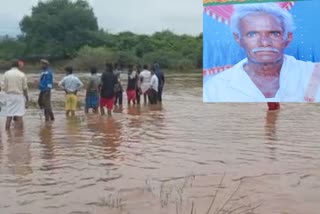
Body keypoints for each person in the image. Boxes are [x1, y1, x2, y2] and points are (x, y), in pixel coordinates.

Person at [203, 3, 320, 102]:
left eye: (274, 33)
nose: (264, 42)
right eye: (252, 34)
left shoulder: (313, 75)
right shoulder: (216, 88)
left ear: (288, 38)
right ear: (238, 39)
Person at [2, 60, 29, 130]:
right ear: (18, 66)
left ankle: (8, 134)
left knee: (9, 116)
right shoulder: (21, 74)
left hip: (9, 96)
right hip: (19, 96)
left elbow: (4, 87)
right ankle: (20, 135)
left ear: (11, 66)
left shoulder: (6, 73)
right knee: (19, 115)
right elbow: (25, 88)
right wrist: (27, 99)